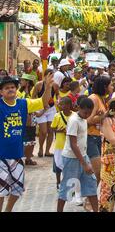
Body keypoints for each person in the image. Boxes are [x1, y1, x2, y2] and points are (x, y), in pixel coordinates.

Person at [0, 73, 54, 212]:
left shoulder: (24, 103)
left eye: (13, 87)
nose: (11, 89)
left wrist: (47, 87)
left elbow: (43, 102)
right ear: (1, 92)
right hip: (1, 156)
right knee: (1, 190)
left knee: (17, 189)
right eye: (7, 88)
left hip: (17, 155)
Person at [57, 97, 97, 212]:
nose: (87, 115)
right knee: (67, 187)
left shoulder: (83, 119)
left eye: (89, 113)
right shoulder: (74, 120)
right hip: (72, 158)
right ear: (79, 108)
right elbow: (73, 144)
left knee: (91, 184)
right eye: (85, 112)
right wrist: (84, 163)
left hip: (82, 156)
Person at [86, 76, 114, 186]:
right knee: (97, 172)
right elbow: (88, 120)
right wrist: (105, 115)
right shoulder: (94, 98)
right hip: (91, 137)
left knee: (99, 172)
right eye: (110, 85)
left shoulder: (102, 99)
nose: (112, 87)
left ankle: (89, 200)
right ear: (104, 87)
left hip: (99, 137)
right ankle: (88, 200)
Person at [32, 69, 59, 158]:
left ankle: (47, 151)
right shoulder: (39, 85)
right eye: (49, 75)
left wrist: (58, 101)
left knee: (51, 131)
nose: (51, 77)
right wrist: (35, 109)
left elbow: (57, 95)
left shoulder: (55, 85)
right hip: (41, 108)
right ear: (45, 76)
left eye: (52, 76)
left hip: (51, 108)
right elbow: (33, 96)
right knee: (43, 131)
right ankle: (40, 148)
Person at [50, 97, 73, 191]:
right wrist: (59, 130)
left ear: (68, 105)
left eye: (61, 104)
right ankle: (58, 182)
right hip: (60, 144)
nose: (59, 106)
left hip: (71, 144)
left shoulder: (74, 116)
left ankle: (69, 182)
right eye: (59, 104)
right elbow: (52, 128)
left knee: (70, 165)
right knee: (58, 164)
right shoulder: (57, 116)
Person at [18, 74, 37, 166]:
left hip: (32, 116)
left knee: (31, 137)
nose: (20, 82)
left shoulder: (33, 91)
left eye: (22, 80)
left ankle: (28, 158)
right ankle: (22, 157)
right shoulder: (19, 92)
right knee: (23, 138)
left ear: (27, 82)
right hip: (21, 117)